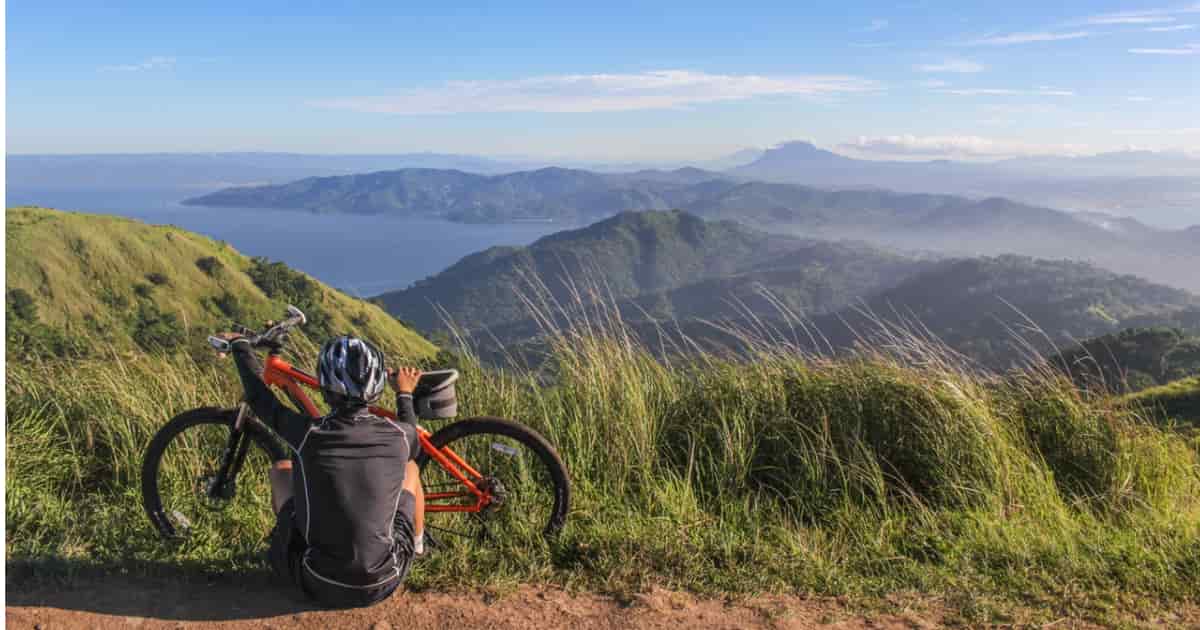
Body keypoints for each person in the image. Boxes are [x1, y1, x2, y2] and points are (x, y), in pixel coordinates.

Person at [217, 332, 425, 608]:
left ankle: (289, 543)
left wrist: (240, 346)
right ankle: (418, 545)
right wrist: (404, 393)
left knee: (281, 470)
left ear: (324, 388)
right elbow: (411, 430)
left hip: (317, 582)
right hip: (384, 581)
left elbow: (258, 396)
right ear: (377, 388)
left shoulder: (307, 433)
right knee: (410, 469)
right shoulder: (400, 435)